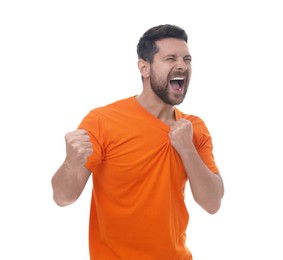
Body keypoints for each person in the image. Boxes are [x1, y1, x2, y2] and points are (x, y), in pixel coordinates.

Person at [51, 24, 224, 260]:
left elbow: (212, 203)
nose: (182, 65)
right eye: (170, 58)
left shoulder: (195, 128)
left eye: (187, 59)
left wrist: (187, 149)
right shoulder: (102, 121)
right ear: (144, 67)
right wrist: (71, 163)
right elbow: (62, 197)